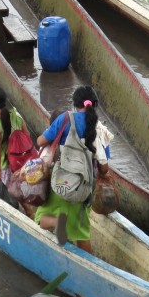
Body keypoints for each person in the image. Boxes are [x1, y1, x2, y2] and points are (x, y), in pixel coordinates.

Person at [34, 86, 110, 252]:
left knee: (40, 218)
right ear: (94, 105)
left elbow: (40, 142)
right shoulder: (100, 130)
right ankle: (91, 268)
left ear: (75, 104)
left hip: (60, 183)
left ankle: (55, 223)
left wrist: (51, 135)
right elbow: (103, 167)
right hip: (83, 189)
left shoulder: (64, 119)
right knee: (82, 234)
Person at [0, 86, 36, 217]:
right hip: (22, 160)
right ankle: (30, 210)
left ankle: (29, 211)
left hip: (8, 163)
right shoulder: (16, 116)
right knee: (19, 185)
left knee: (13, 189)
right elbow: (27, 135)